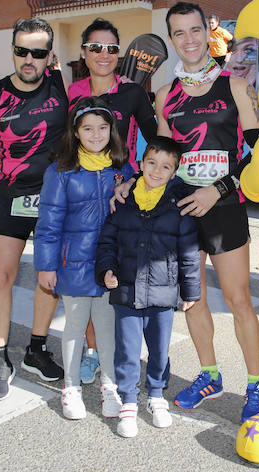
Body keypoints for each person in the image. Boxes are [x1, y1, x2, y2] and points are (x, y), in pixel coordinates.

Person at [140, 1, 259, 422]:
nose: (189, 40)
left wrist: (220, 187)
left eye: (195, 30)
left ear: (207, 33)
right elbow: (161, 161)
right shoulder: (165, 96)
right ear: (172, 39)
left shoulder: (234, 85)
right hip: (183, 211)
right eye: (179, 33)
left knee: (238, 299)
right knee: (191, 300)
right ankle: (209, 374)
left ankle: (255, 385)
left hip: (226, 206)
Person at [0, 17, 70, 401]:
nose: (29, 59)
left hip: (56, 197)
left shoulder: (61, 87)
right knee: (2, 277)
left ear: (49, 55)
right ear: (12, 50)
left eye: (38, 52)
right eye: (22, 51)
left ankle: (36, 349)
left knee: (50, 278)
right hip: (12, 196)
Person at [67, 17, 158, 384]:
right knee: (91, 279)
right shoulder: (72, 93)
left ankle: (124, 354)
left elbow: (154, 140)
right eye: (96, 48)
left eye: (111, 49)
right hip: (83, 198)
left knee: (124, 279)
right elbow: (65, 147)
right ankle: (92, 351)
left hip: (124, 197)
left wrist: (138, 179)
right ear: (84, 53)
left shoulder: (134, 92)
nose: (103, 55)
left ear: (119, 54)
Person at [34, 96, 134, 420]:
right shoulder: (60, 171)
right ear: (75, 132)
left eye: (102, 128)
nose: (95, 135)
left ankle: (109, 385)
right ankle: (71, 387)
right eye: (87, 128)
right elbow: (48, 223)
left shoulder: (122, 168)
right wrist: (46, 266)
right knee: (75, 327)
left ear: (111, 130)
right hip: (72, 264)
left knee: (106, 327)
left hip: (109, 265)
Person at [95, 136, 201, 438]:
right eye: (151, 163)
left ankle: (156, 395)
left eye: (165, 166)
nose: (157, 170)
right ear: (141, 164)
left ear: (174, 171)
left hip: (163, 294)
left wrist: (191, 292)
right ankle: (128, 401)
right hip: (126, 291)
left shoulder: (179, 204)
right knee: (127, 351)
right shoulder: (124, 200)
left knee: (159, 350)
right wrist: (106, 269)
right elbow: (107, 240)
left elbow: (189, 251)